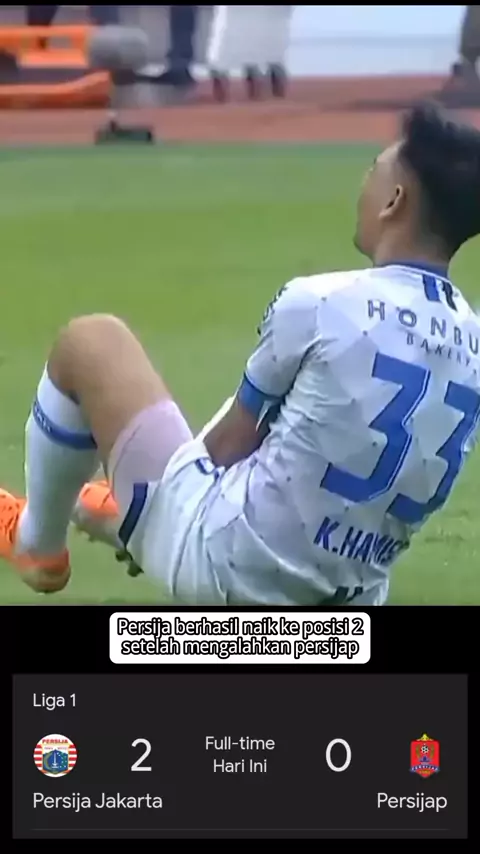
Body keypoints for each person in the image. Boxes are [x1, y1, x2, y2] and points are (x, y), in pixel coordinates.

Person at [2, 102, 480, 605]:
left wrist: (156, 519)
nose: (365, 184)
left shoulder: (321, 302)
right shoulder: (472, 341)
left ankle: (38, 544)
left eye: (373, 170)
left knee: (92, 341)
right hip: (347, 602)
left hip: (231, 571)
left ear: (394, 201)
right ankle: (121, 508)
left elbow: (227, 445)